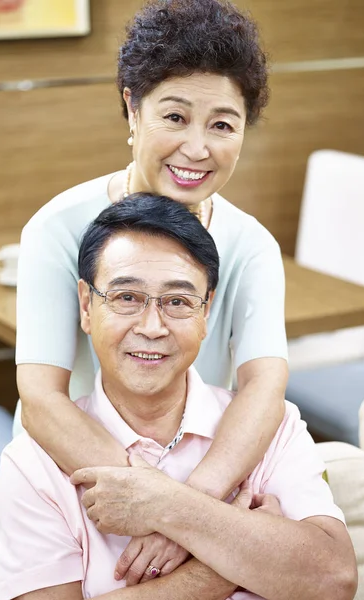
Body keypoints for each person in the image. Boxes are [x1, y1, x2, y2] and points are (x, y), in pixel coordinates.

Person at [15, 0, 288, 581]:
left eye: (222, 124)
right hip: (75, 485)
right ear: (131, 109)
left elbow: (265, 385)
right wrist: (158, 506)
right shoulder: (57, 227)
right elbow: (40, 397)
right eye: (174, 117)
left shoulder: (253, 245)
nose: (197, 148)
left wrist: (189, 506)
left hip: (201, 479)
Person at [0, 195, 357, 600]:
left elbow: (334, 579)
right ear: (87, 306)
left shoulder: (272, 427)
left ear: (206, 313)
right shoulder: (33, 465)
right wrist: (223, 568)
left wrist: (168, 506)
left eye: (178, 301)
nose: (152, 326)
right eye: (126, 297)